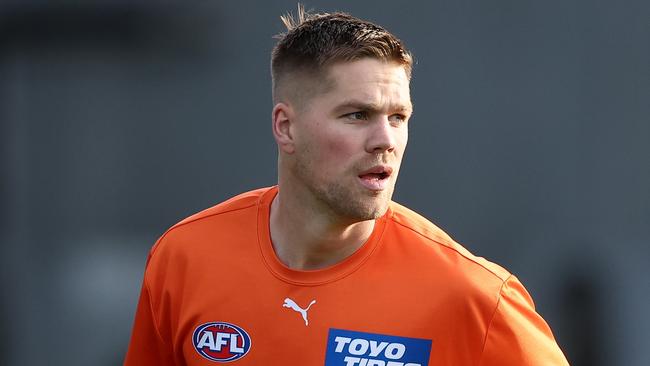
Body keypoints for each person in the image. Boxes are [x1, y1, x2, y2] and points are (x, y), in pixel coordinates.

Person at [125, 7, 570, 366]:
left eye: (399, 117)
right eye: (357, 115)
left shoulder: (476, 299)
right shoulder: (183, 258)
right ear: (286, 127)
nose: (386, 140)